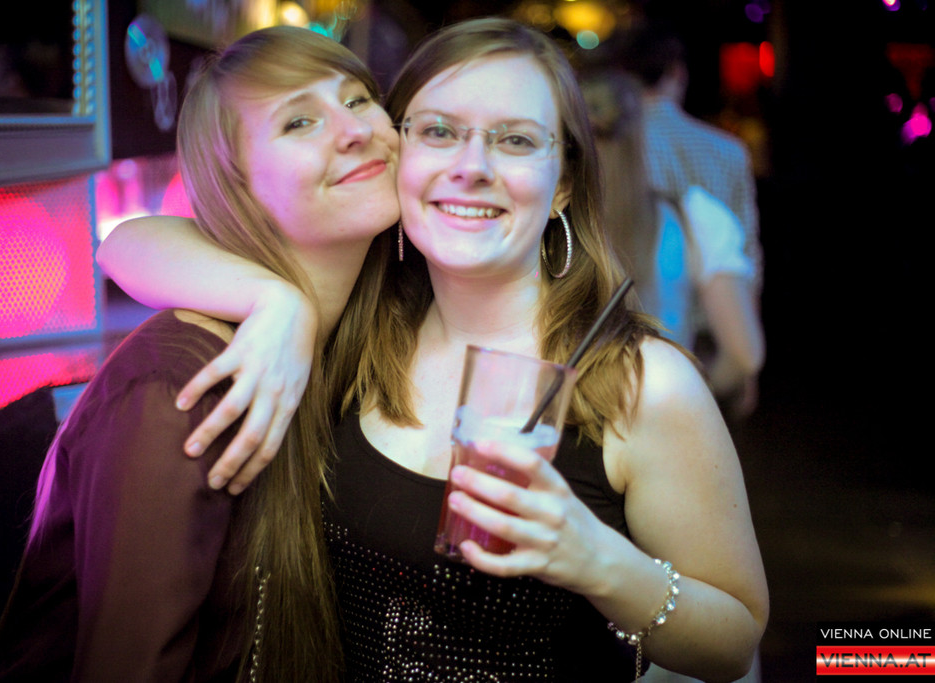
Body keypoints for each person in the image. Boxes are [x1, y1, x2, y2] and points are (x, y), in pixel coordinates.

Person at [100, 18, 768, 682]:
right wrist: (280, 304)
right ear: (400, 154)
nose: (471, 168)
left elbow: (734, 640)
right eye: (439, 132)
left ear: (562, 183)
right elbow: (129, 243)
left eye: (515, 140)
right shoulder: (360, 325)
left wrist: (601, 562)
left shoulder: (644, 383)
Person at [0, 26, 400, 682]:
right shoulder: (179, 390)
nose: (353, 129)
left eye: (359, 99)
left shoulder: (376, 326)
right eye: (299, 122)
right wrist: (280, 300)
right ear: (238, 189)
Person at [581, 67, 765, 418]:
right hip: (657, 419)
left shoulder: (547, 215)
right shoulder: (695, 217)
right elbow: (744, 356)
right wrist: (695, 396)